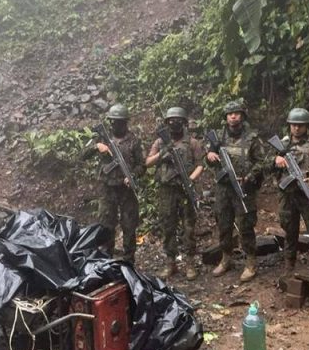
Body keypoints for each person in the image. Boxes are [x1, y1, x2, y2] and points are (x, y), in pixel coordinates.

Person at [207, 100, 265, 283]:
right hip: (223, 188)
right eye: (230, 114)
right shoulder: (217, 136)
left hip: (243, 188)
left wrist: (249, 177)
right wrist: (209, 155)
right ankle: (226, 258)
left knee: (245, 225)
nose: (233, 116)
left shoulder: (252, 138)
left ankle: (250, 262)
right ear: (225, 117)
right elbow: (208, 157)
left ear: (242, 116)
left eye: (237, 113)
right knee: (224, 224)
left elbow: (262, 162)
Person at [145, 106, 204, 281]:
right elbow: (147, 162)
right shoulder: (160, 142)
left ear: (184, 123)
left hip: (185, 190)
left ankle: (190, 263)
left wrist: (191, 180)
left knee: (188, 228)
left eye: (178, 120)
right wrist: (163, 153)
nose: (174, 123)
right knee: (168, 226)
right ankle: (171, 262)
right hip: (167, 190)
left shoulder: (192, 143)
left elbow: (200, 164)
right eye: (170, 120)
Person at [273, 107, 309, 274]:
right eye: (293, 125)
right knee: (290, 231)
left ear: (307, 126)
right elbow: (265, 165)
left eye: (300, 125)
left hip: (307, 195)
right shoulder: (282, 145)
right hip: (287, 195)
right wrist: (275, 160)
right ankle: (289, 264)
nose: (296, 128)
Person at [92, 104, 145, 264]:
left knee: (129, 226)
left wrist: (133, 175)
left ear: (126, 122)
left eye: (120, 122)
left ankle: (129, 260)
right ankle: (106, 260)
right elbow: (83, 155)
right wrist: (97, 147)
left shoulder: (134, 141)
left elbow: (141, 165)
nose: (117, 125)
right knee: (106, 224)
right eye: (114, 122)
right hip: (107, 189)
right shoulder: (102, 138)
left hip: (126, 190)